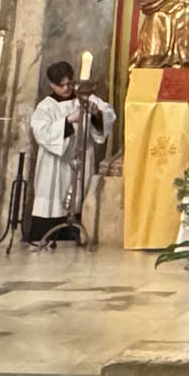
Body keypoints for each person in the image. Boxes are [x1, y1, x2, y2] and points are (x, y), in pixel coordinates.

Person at [28, 62, 116, 242]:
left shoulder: (85, 98)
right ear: (51, 84)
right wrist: (68, 120)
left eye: (68, 84)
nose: (66, 89)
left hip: (81, 160)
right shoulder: (46, 106)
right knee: (53, 204)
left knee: (78, 202)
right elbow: (42, 133)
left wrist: (96, 114)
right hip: (54, 166)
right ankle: (47, 239)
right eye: (60, 85)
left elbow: (108, 114)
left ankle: (75, 237)